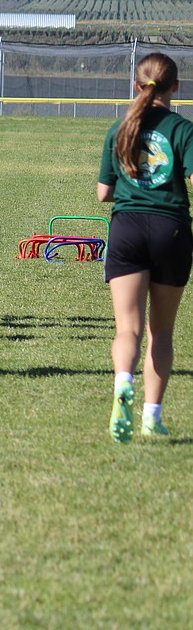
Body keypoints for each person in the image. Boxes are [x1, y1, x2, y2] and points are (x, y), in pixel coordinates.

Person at [98, 52, 193, 441]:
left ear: (137, 85)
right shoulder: (183, 130)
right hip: (171, 230)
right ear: (176, 88)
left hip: (128, 229)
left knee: (128, 330)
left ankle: (124, 382)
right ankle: (152, 417)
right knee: (162, 333)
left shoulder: (120, 129)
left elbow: (103, 193)